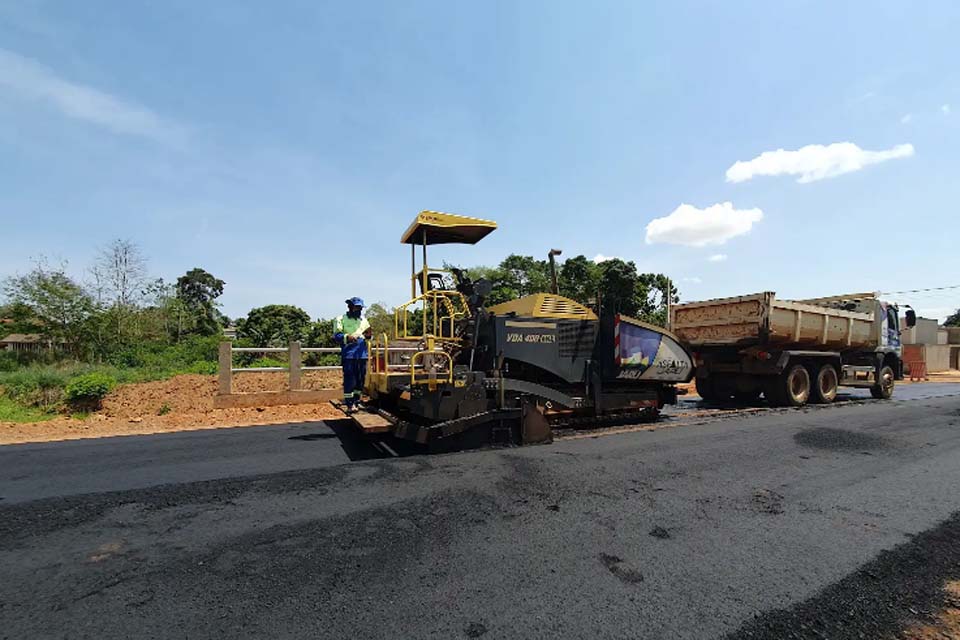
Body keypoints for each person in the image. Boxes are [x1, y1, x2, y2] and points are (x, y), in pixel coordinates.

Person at [333, 297, 371, 412]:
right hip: (349, 354)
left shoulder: (363, 320)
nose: (359, 310)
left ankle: (357, 401)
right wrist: (347, 337)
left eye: (360, 308)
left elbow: (368, 333)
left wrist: (369, 335)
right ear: (350, 307)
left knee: (360, 379)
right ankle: (350, 404)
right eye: (357, 307)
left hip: (362, 354)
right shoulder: (340, 319)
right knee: (350, 379)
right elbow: (336, 336)